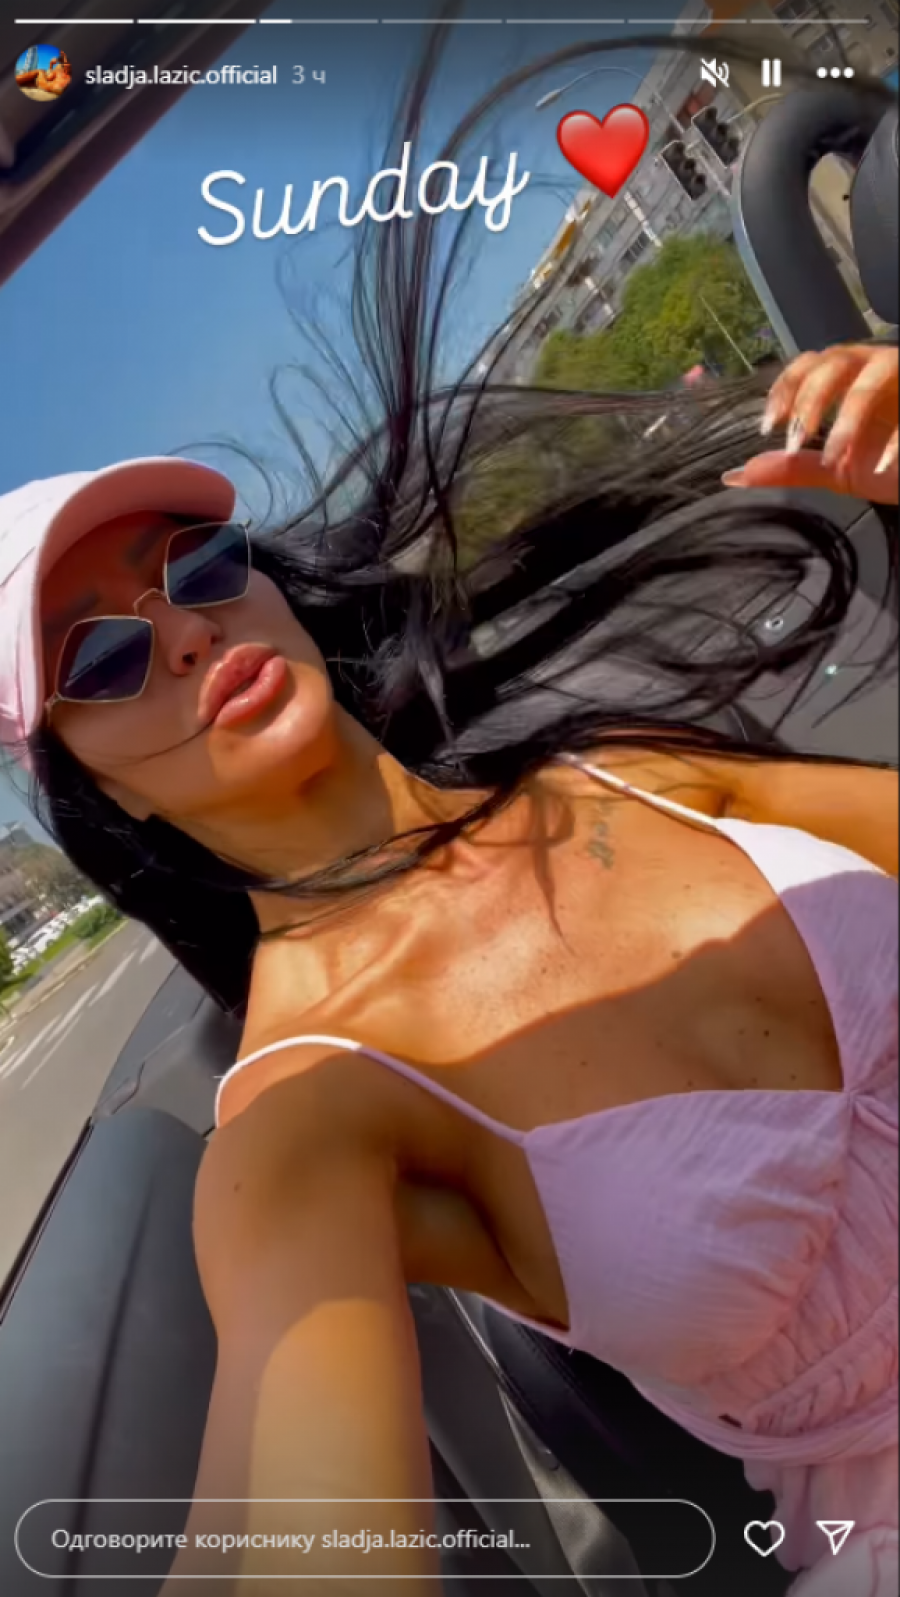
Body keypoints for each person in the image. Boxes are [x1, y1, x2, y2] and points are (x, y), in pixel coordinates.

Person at [1, 30, 897, 1595]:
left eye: (195, 567)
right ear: (91, 788)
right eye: (105, 657)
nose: (189, 631)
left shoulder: (624, 770)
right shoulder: (305, 1122)